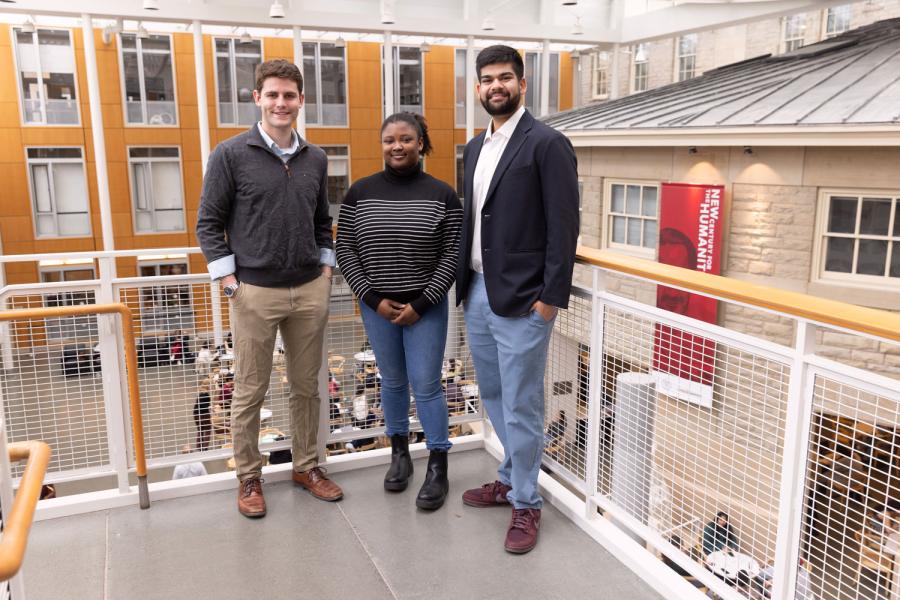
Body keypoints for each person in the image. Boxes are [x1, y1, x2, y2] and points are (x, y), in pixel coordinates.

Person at [196, 58, 342, 518]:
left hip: (308, 290)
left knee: (307, 388)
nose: (282, 103)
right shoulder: (230, 154)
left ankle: (307, 466)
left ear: (301, 100)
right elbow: (208, 223)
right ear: (257, 98)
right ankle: (249, 477)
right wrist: (229, 282)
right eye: (273, 94)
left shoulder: (315, 158)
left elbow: (323, 221)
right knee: (249, 390)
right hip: (254, 292)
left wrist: (325, 270)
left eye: (290, 95)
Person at [455, 45, 579, 553]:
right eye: (487, 79)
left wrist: (550, 299)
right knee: (495, 397)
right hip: (479, 291)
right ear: (479, 88)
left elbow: (564, 225)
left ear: (522, 85)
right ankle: (509, 478)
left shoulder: (547, 144)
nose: (495, 86)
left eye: (505, 78)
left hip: (526, 299)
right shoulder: (473, 147)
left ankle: (527, 503)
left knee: (523, 405)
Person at [336, 112, 463, 510]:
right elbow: (346, 249)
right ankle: (399, 455)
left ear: (421, 143)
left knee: (426, 384)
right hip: (377, 305)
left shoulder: (443, 195)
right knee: (391, 382)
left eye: (406, 139)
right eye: (389, 139)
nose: (397, 146)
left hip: (426, 306)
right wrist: (372, 298)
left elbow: (452, 254)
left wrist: (422, 303)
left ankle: (438, 465)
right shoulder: (359, 192)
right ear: (381, 144)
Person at [193, 378, 213, 450]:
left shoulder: (201, 392)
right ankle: (205, 448)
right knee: (208, 429)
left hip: (196, 413)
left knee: (200, 430)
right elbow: (204, 406)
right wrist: (210, 408)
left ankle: (199, 447)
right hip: (203, 414)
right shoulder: (206, 394)